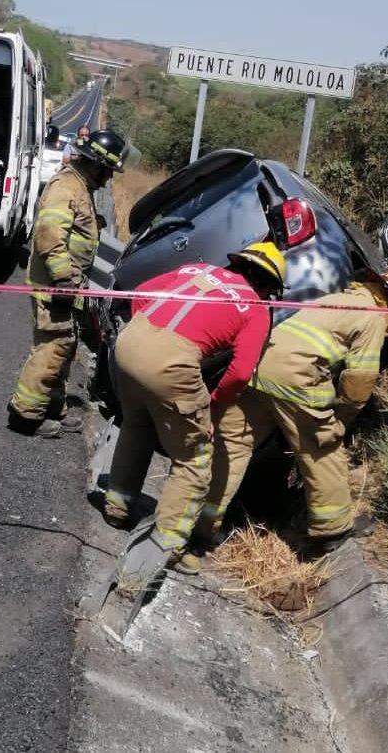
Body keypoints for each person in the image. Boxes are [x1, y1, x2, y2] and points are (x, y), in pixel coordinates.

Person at [199, 271, 388, 562]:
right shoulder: (374, 316)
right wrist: (341, 420)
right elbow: (359, 379)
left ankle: (201, 521)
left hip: (260, 366)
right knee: (322, 448)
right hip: (297, 376)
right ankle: (333, 530)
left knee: (233, 445)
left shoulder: (340, 299)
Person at [100, 243, 286, 578]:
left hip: (130, 342)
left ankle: (117, 504)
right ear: (269, 287)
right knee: (194, 459)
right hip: (173, 364)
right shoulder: (256, 308)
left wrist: (150, 335)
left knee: (138, 424)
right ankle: (168, 547)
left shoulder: (197, 271)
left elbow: (141, 292)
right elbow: (242, 372)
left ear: (239, 265)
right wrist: (213, 406)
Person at [8, 129, 131, 437]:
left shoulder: (80, 186)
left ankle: (53, 409)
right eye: (108, 171)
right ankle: (26, 416)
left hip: (67, 288)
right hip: (55, 286)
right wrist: (64, 280)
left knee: (65, 347)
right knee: (51, 348)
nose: (109, 179)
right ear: (97, 164)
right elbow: (50, 236)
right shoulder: (66, 188)